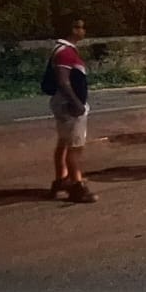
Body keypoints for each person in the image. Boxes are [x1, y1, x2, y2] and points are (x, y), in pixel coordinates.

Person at [45, 16, 96, 203]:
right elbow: (63, 81)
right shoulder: (65, 52)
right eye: (79, 27)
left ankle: (61, 179)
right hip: (70, 106)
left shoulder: (63, 50)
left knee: (64, 143)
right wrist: (77, 103)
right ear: (72, 29)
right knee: (75, 148)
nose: (83, 31)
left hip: (64, 103)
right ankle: (77, 185)